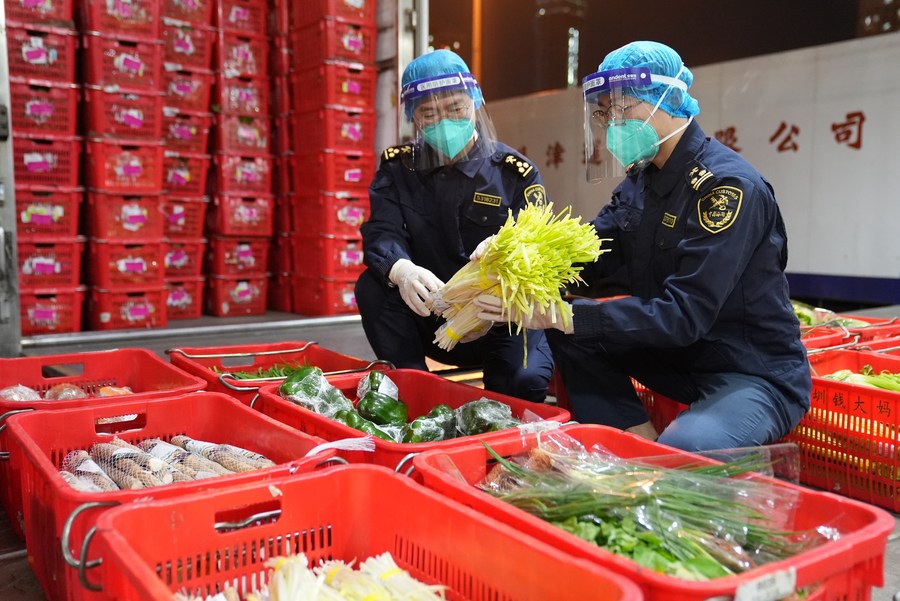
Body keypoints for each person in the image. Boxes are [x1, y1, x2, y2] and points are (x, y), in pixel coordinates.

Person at [475, 41, 812, 450]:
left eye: (624, 107)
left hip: (746, 368)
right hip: (677, 357)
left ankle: (659, 453)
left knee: (686, 451)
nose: (612, 123)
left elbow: (684, 315)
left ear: (667, 99)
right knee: (570, 332)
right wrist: (518, 254)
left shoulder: (725, 188)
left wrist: (567, 315)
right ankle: (634, 445)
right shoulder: (641, 180)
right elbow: (592, 252)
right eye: (606, 112)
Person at [354, 49, 553, 403]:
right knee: (372, 286)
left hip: (499, 318)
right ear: (413, 117)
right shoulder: (399, 168)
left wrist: (505, 269)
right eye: (429, 113)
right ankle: (413, 390)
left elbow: (539, 250)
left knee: (523, 382)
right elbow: (382, 229)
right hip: (431, 316)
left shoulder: (513, 173)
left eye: (455, 108)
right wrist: (401, 270)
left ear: (474, 102)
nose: (444, 121)